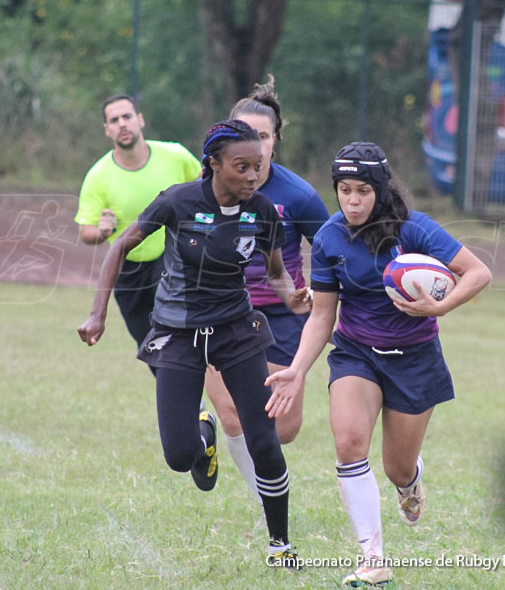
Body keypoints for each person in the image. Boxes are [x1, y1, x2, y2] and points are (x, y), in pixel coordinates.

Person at [77, 119, 311, 564]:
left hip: (236, 330)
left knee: (265, 441)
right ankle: (204, 439)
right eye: (241, 167)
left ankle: (280, 544)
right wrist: (97, 313)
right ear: (213, 165)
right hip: (178, 332)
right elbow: (119, 246)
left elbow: (277, 271)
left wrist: (293, 298)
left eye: (257, 167)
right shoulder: (179, 202)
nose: (251, 176)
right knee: (178, 454)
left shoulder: (261, 210)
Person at [264, 141, 491, 587]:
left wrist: (440, 307)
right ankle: (373, 559)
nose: (352, 200)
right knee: (349, 444)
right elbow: (323, 315)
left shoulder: (415, 229)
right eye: (344, 190)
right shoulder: (330, 237)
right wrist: (297, 368)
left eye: (362, 191)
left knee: (396, 468)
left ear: (381, 190)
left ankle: (411, 482)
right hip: (357, 353)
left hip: (415, 359)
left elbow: (478, 272)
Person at [202, 77, 330, 502]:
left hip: (281, 316)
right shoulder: (210, 184)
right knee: (235, 416)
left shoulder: (298, 196)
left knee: (284, 428)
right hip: (222, 312)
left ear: (276, 140)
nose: (253, 143)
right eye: (243, 133)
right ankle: (267, 503)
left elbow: (332, 249)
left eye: (262, 136)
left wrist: (324, 295)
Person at [75, 94, 201, 362]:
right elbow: (85, 231)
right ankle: (193, 403)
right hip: (128, 270)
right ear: (107, 129)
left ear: (140, 120)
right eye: (114, 120)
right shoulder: (98, 176)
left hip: (172, 259)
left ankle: (201, 397)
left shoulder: (175, 156)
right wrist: (101, 231)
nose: (122, 124)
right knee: (151, 348)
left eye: (127, 117)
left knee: (177, 335)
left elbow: (207, 189)